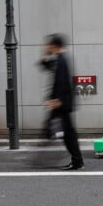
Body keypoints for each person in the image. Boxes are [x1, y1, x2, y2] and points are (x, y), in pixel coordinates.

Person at [38, 34, 83, 170]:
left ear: (54, 45)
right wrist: (46, 54)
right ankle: (77, 161)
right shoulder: (59, 59)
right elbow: (44, 66)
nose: (47, 47)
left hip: (62, 104)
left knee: (67, 134)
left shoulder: (62, 60)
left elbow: (64, 83)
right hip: (62, 103)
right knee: (68, 133)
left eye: (49, 45)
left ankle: (76, 161)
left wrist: (58, 101)